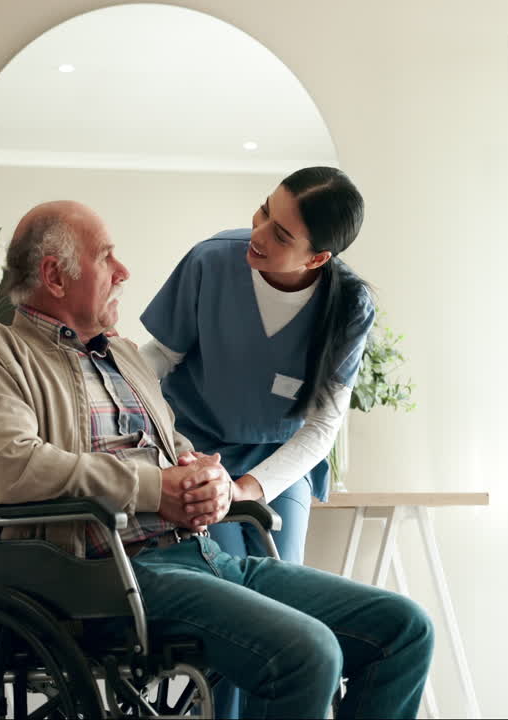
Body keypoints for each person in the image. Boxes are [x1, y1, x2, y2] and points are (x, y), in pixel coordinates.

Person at [0, 200, 432, 720]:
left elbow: (174, 448)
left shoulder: (124, 356)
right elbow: (18, 470)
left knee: (403, 628)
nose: (124, 272)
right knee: (308, 654)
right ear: (54, 276)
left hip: (202, 560)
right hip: (105, 576)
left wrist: (209, 482)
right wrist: (157, 487)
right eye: (106, 257)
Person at [139, 166, 374, 569]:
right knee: (226, 571)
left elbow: (322, 426)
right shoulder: (210, 262)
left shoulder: (349, 307)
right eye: (264, 212)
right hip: (195, 451)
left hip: (279, 457)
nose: (258, 234)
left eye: (281, 234)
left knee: (285, 574)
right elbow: (160, 356)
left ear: (317, 258)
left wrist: (249, 488)